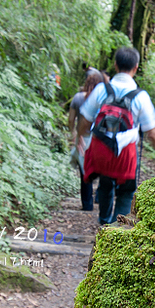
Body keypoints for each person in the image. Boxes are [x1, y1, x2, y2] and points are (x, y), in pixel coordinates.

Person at [77, 47, 155, 225]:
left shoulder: (101, 90)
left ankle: (104, 221)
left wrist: (79, 137)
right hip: (125, 153)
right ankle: (118, 227)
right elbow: (152, 131)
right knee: (126, 191)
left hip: (101, 149)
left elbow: (85, 119)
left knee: (105, 183)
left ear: (115, 64)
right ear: (136, 67)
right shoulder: (140, 96)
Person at [68, 68, 108, 211]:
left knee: (85, 173)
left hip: (82, 139)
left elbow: (71, 120)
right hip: (100, 139)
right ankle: (100, 198)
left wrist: (73, 134)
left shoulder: (78, 98)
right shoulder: (105, 100)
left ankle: (87, 204)